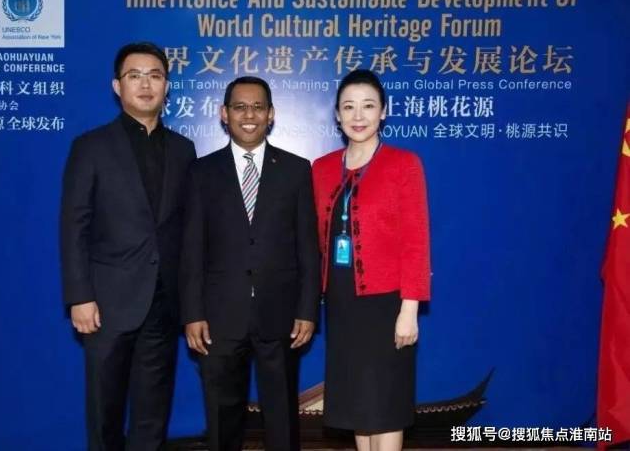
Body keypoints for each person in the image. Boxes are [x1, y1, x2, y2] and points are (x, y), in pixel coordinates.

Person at [60, 42, 196, 451]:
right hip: (107, 304)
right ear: (117, 86)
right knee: (105, 413)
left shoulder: (183, 149)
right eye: (134, 76)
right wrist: (80, 297)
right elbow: (73, 225)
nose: (145, 84)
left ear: (167, 85)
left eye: (155, 75)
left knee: (153, 415)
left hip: (163, 304)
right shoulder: (91, 146)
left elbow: (188, 230)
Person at [180, 76, 321, 451]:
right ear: (223, 114)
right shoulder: (201, 172)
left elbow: (309, 247)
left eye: (258, 107)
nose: (249, 115)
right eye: (240, 107)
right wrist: (192, 313)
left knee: (282, 418)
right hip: (219, 318)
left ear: (271, 114)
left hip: (281, 315)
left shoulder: (296, 170)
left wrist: (307, 310)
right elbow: (191, 249)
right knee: (222, 419)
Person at [311, 69, 431, 451]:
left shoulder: (403, 164)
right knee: (357, 404)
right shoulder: (321, 168)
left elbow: (416, 241)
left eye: (368, 106)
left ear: (384, 111)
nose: (358, 116)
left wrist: (409, 309)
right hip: (342, 302)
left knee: (386, 404)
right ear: (337, 114)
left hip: (387, 303)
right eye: (348, 107)